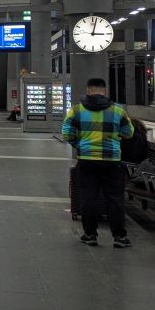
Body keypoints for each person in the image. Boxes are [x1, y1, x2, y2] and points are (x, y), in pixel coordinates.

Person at [61, 77, 134, 248]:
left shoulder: (77, 110)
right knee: (115, 198)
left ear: (88, 90)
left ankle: (90, 234)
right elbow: (129, 133)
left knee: (89, 197)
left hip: (87, 160)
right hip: (111, 160)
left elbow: (66, 133)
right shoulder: (118, 111)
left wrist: (78, 144)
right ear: (105, 91)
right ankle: (119, 237)